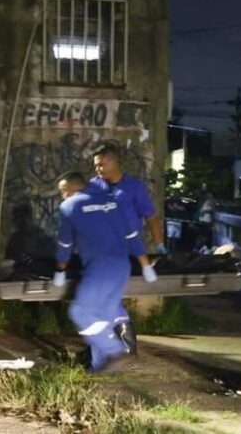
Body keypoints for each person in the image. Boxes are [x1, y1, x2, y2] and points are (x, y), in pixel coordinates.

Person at [53, 171, 149, 373]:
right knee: (103, 316)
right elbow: (131, 235)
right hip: (122, 265)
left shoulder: (69, 206)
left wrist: (60, 269)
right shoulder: (112, 202)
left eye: (63, 191)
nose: (62, 196)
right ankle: (100, 367)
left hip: (99, 267)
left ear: (72, 189)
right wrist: (145, 265)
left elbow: (65, 244)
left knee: (80, 312)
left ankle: (115, 351)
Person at [90, 146, 162, 354]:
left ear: (115, 163)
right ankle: (123, 344)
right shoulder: (94, 187)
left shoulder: (133, 187)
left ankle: (123, 344)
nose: (98, 169)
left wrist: (159, 243)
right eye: (96, 165)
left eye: (102, 164)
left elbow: (150, 217)